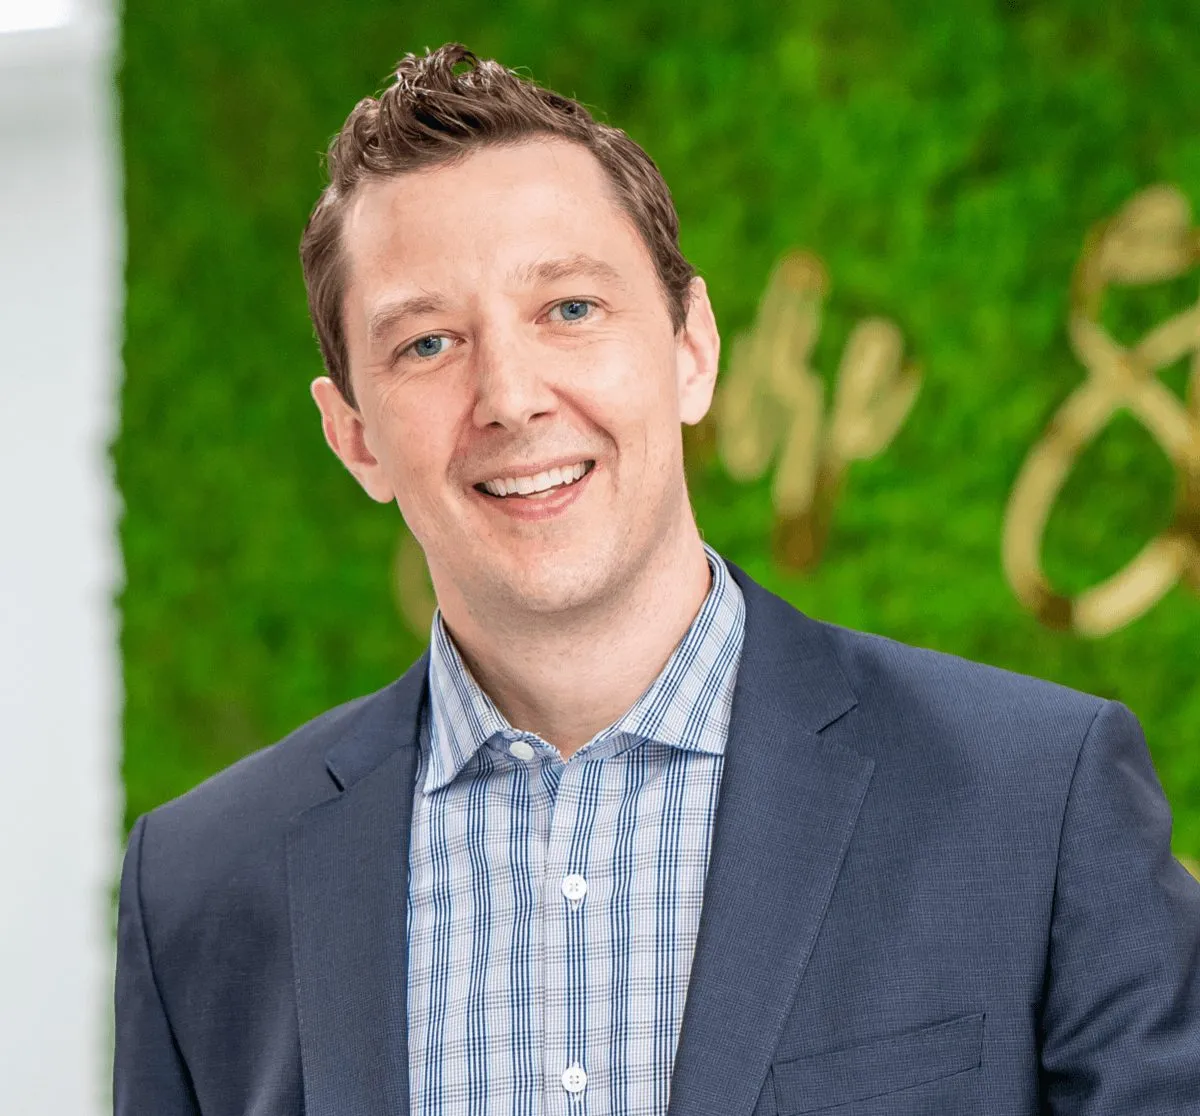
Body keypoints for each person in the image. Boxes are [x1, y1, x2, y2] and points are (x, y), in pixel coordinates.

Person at [113, 42, 1200, 1116]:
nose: (511, 398)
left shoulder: (1038, 802)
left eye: (570, 309)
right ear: (354, 435)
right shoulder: (198, 888)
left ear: (693, 350)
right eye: (429, 344)